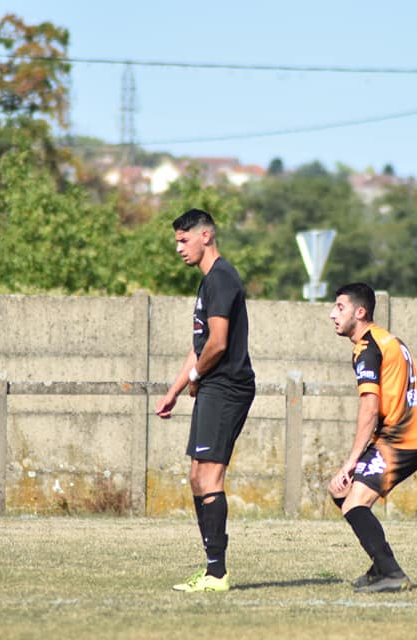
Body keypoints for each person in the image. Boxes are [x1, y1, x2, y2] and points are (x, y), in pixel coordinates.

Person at [155, 208, 255, 593]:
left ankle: (217, 574)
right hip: (212, 386)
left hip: (227, 386)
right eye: (177, 240)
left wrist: (196, 379)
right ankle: (213, 569)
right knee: (197, 476)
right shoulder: (207, 283)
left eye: (184, 240)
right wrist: (175, 390)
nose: (178, 248)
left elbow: (218, 343)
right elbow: (198, 346)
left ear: (206, 236)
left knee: (209, 475)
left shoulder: (223, 278)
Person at [327, 283, 417, 593]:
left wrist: (351, 461)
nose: (333, 314)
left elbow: (370, 408)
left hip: (401, 440)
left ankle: (392, 574)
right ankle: (380, 567)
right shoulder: (390, 340)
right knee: (340, 492)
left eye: (340, 307)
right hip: (409, 436)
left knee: (352, 502)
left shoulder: (366, 347)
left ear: (360, 313)